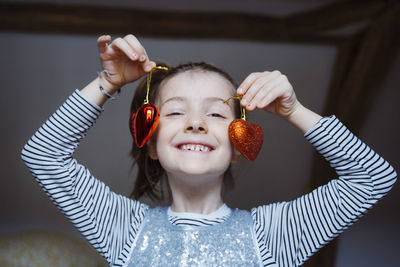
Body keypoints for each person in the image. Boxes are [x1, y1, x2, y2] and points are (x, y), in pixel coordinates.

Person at [21, 34, 397, 267]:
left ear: (237, 144)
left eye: (216, 112)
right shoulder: (126, 230)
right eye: (176, 111)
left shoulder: (273, 235)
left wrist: (293, 110)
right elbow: (43, 154)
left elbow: (373, 177)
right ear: (151, 144)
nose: (196, 122)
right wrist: (108, 81)